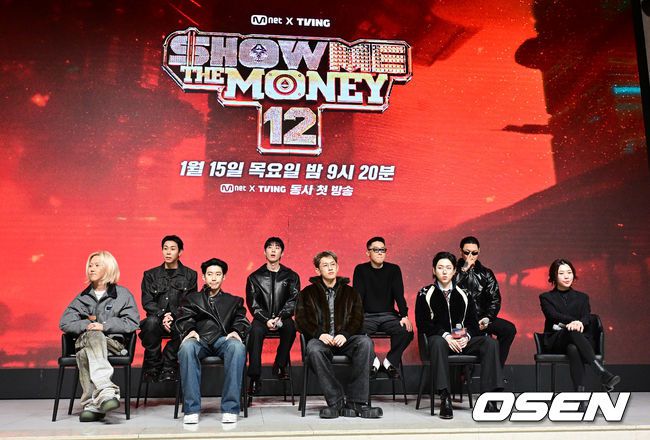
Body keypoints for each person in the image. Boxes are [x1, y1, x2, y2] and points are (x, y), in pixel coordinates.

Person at [295, 251, 383, 419]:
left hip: (345, 340)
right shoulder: (307, 293)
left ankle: (357, 403)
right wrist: (319, 334)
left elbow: (358, 318)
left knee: (365, 342)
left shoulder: (351, 292)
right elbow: (300, 319)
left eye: (333, 264)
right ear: (317, 270)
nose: (330, 268)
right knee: (313, 349)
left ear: (338, 267)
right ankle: (336, 402)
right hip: (322, 341)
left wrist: (345, 334)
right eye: (325, 265)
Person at [415, 251, 502, 419]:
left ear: (455, 271)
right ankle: (445, 398)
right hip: (439, 342)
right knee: (438, 342)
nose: (444, 271)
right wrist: (446, 336)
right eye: (440, 267)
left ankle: (489, 398)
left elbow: (473, 324)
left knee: (490, 343)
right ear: (434, 270)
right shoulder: (425, 293)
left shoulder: (464, 293)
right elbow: (423, 323)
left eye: (448, 268)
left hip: (460, 341)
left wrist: (465, 337)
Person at [59, 250, 140, 422]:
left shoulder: (123, 295)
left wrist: (103, 326)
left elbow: (132, 322)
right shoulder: (83, 297)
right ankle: (106, 392)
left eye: (97, 265)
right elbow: (65, 322)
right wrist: (86, 325)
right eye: (90, 265)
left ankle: (92, 404)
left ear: (109, 268)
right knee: (92, 338)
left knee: (85, 351)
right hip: (87, 339)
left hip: (113, 344)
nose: (91, 268)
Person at [175, 258, 249, 425]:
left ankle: (230, 409)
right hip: (199, 339)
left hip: (223, 340)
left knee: (237, 347)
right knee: (186, 348)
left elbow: (241, 319)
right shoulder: (192, 298)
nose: (213, 278)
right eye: (210, 274)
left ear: (224, 277)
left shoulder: (234, 301)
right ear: (203, 277)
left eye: (218, 274)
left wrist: (236, 331)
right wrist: (190, 330)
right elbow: (184, 318)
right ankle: (191, 409)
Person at [539, 258, 620, 393]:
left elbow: (586, 316)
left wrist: (580, 322)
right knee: (572, 331)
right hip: (557, 340)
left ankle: (580, 396)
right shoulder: (546, 297)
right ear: (554, 276)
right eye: (561, 273)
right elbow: (552, 316)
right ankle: (601, 372)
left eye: (569, 272)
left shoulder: (583, 297)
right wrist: (575, 322)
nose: (566, 276)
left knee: (573, 348)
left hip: (579, 340)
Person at [246, 237, 300, 395]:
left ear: (282, 253)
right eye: (270, 247)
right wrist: (266, 319)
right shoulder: (254, 277)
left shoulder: (291, 276)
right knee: (255, 331)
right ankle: (255, 377)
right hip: (262, 318)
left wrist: (281, 316)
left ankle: (280, 364)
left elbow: (294, 300)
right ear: (264, 252)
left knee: (291, 328)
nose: (273, 250)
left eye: (277, 247)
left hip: (283, 318)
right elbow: (253, 303)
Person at [353, 236, 413, 379]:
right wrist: (357, 318)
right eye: (376, 250)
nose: (380, 253)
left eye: (383, 250)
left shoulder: (393, 269)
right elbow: (358, 297)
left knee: (406, 331)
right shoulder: (361, 270)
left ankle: (389, 362)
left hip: (388, 315)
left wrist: (404, 316)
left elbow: (399, 295)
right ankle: (373, 361)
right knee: (355, 331)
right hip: (367, 316)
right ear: (368, 253)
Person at [139, 235, 197, 382]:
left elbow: (190, 302)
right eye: (165, 249)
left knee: (189, 326)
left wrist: (173, 316)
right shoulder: (150, 275)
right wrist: (163, 315)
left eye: (172, 249)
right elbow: (147, 301)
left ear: (180, 252)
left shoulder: (190, 275)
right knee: (150, 323)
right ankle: (153, 366)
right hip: (156, 319)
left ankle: (168, 364)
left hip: (179, 318)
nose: (168, 252)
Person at [455, 236, 516, 368]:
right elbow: (449, 291)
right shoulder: (453, 271)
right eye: (466, 252)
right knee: (459, 341)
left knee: (509, 329)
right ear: (460, 251)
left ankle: (496, 369)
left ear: (479, 252)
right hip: (460, 321)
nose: (470, 256)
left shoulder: (486, 273)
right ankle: (462, 373)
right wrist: (464, 270)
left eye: (474, 253)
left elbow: (495, 299)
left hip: (481, 319)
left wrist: (488, 318)